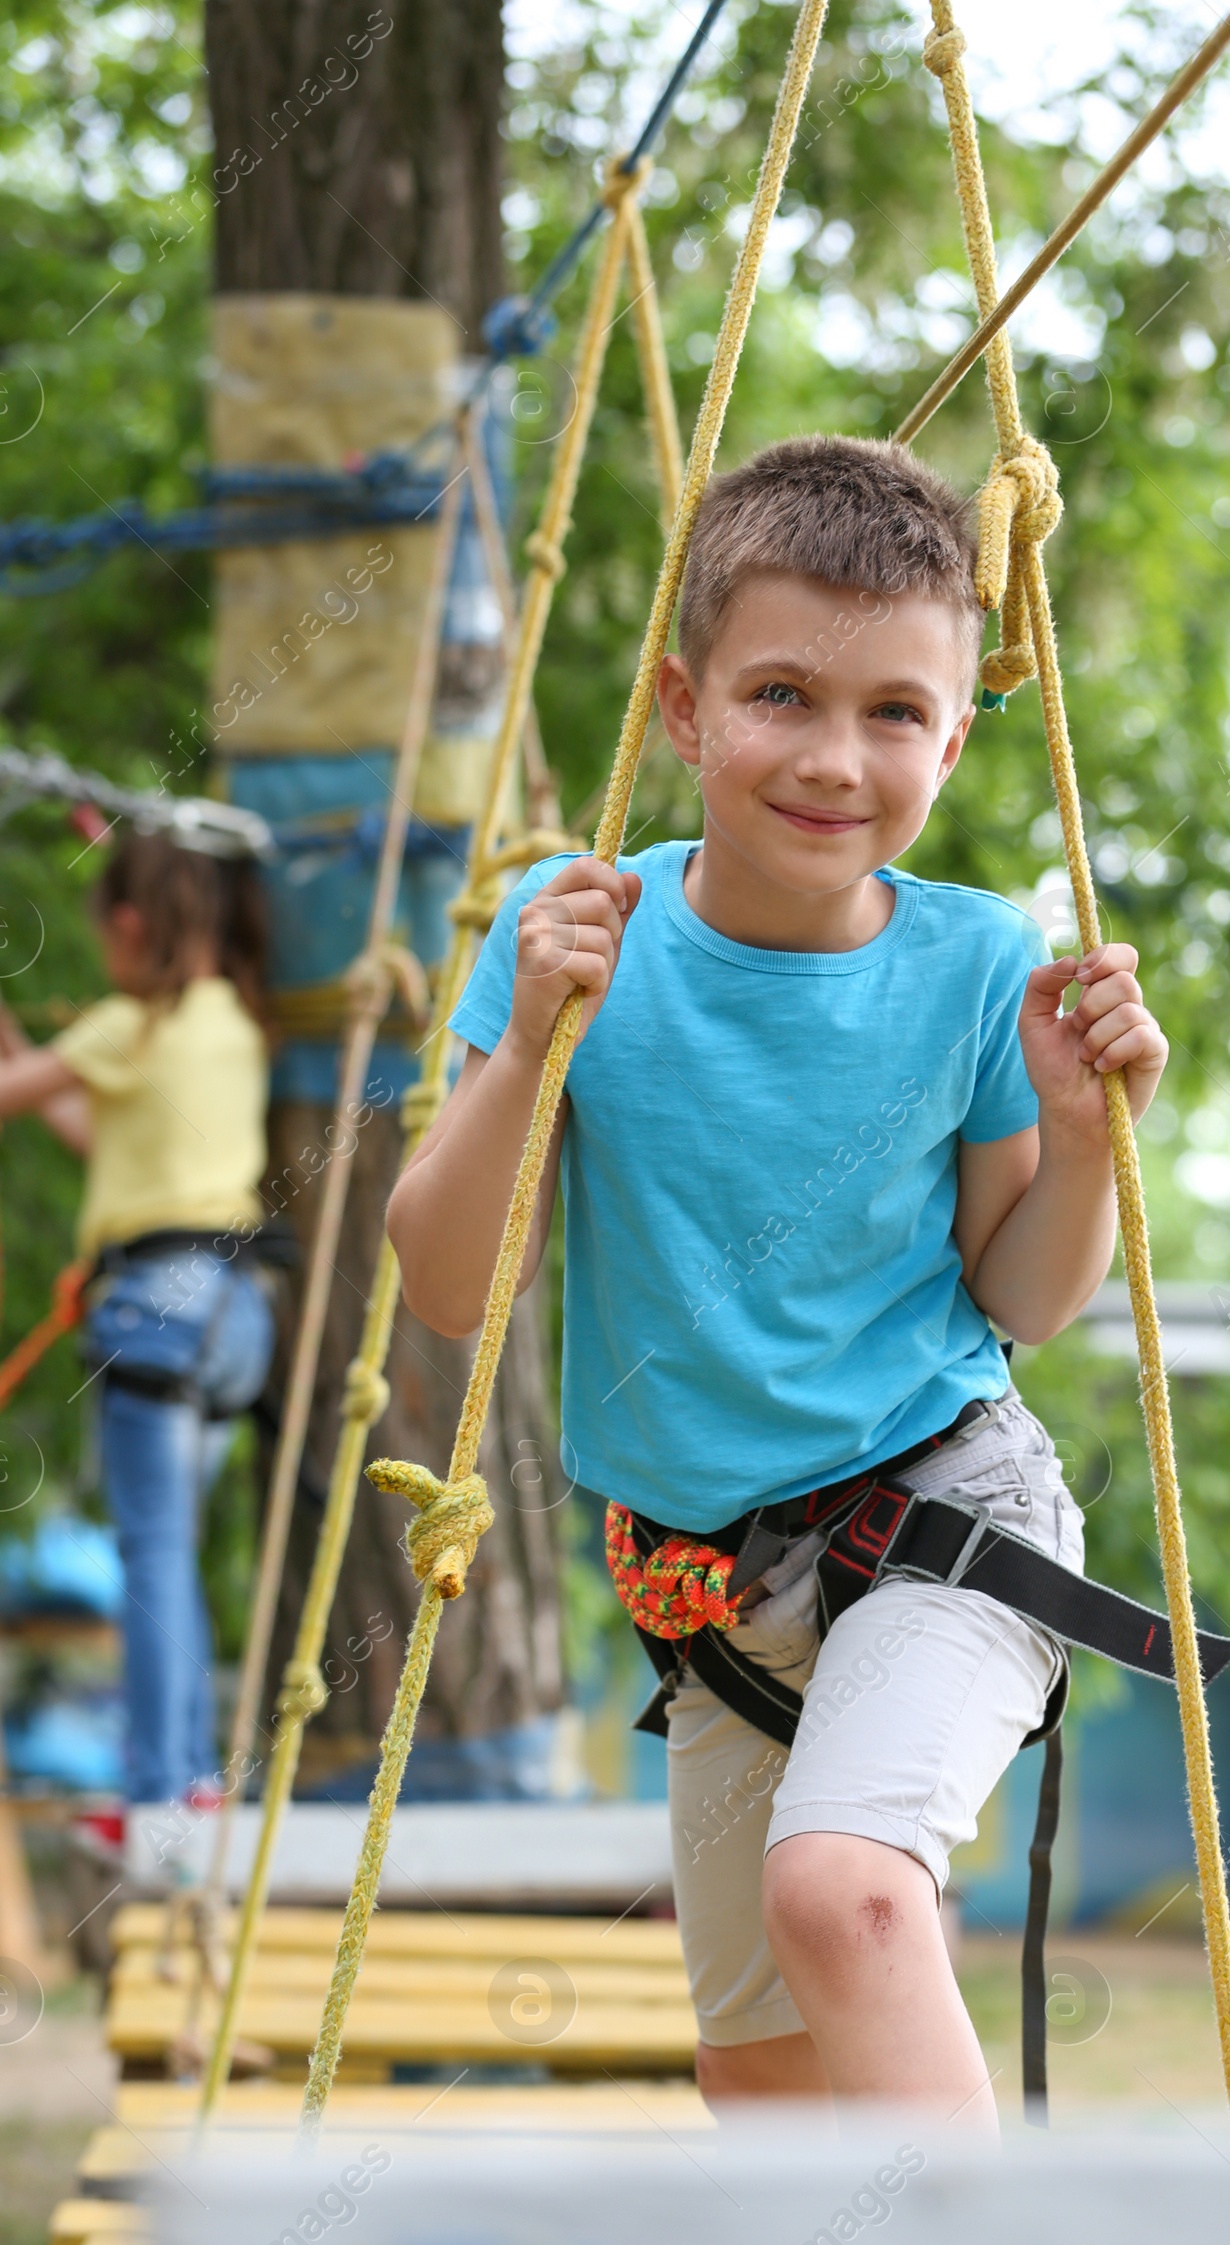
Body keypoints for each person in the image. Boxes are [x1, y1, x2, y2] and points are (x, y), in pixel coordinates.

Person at [387, 436, 1170, 2128]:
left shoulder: (973, 961)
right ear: (684, 711)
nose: (836, 758)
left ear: (955, 740)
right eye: (782, 697)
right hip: (715, 1589)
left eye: (897, 712)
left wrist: (1080, 1136)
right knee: (758, 2070)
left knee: (849, 1895)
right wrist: (528, 1043)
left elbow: (1022, 1304)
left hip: (951, 1512)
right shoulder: (577, 935)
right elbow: (447, 1286)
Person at [0, 818, 278, 1820]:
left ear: (127, 924)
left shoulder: (129, 1028)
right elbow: (117, 1148)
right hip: (233, 1312)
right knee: (172, 1551)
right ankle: (190, 1781)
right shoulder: (233, 1022)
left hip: (158, 1306)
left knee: (150, 1554)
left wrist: (33, 1064)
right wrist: (38, 1058)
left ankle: (163, 1791)